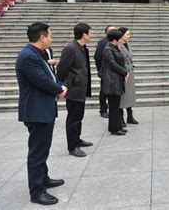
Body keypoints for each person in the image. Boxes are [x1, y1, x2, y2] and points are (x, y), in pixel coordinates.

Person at [16, 22, 68, 205]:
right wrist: (59, 89)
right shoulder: (28, 57)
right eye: (50, 36)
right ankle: (37, 191)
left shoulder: (37, 54)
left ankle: (43, 178)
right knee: (37, 152)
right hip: (36, 110)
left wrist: (60, 86)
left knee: (43, 148)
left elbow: (49, 76)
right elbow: (41, 81)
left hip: (43, 108)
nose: (51, 39)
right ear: (42, 37)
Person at [56, 23, 93, 158]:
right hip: (73, 89)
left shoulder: (81, 48)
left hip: (80, 89)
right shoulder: (70, 48)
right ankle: (72, 146)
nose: (91, 35)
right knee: (73, 118)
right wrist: (61, 87)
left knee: (79, 117)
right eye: (90, 33)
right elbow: (61, 69)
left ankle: (77, 139)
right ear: (84, 34)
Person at [100, 29, 129, 135]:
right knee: (113, 107)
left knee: (116, 106)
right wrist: (125, 72)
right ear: (115, 39)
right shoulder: (108, 49)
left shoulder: (114, 48)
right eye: (120, 38)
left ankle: (117, 126)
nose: (122, 40)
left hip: (117, 79)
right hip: (112, 81)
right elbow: (112, 64)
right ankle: (114, 128)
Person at [94, 25, 116, 118]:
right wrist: (101, 70)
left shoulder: (116, 41)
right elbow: (97, 57)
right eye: (111, 30)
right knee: (104, 91)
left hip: (115, 71)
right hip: (105, 71)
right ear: (106, 32)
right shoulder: (102, 42)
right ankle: (103, 109)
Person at [118, 27, 138, 126]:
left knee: (130, 95)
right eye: (127, 34)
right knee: (123, 97)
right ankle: (121, 118)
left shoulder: (128, 44)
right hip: (122, 74)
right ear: (121, 35)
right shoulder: (118, 45)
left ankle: (130, 116)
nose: (129, 36)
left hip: (130, 74)